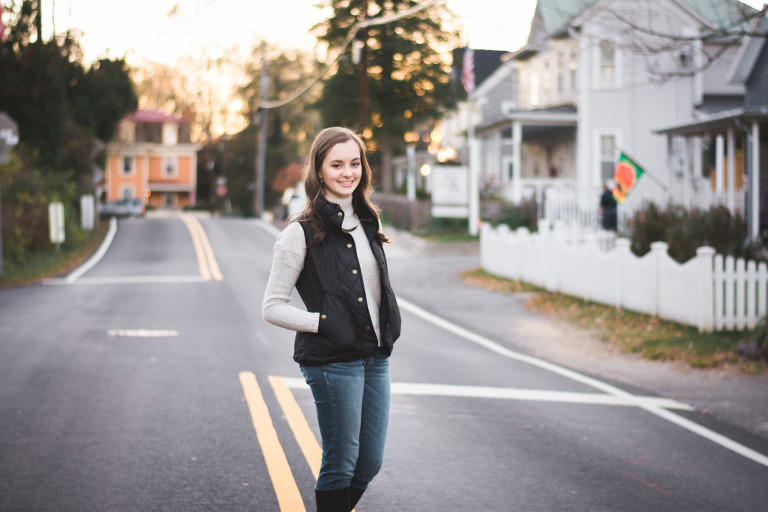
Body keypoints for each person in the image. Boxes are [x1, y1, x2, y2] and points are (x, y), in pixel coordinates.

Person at [262, 127, 401, 512]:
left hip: (375, 357)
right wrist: (322, 323)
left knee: (368, 463)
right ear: (319, 170)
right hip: (332, 361)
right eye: (337, 165)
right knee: (340, 462)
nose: (347, 172)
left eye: (354, 163)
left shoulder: (369, 221)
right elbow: (272, 306)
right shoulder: (300, 232)